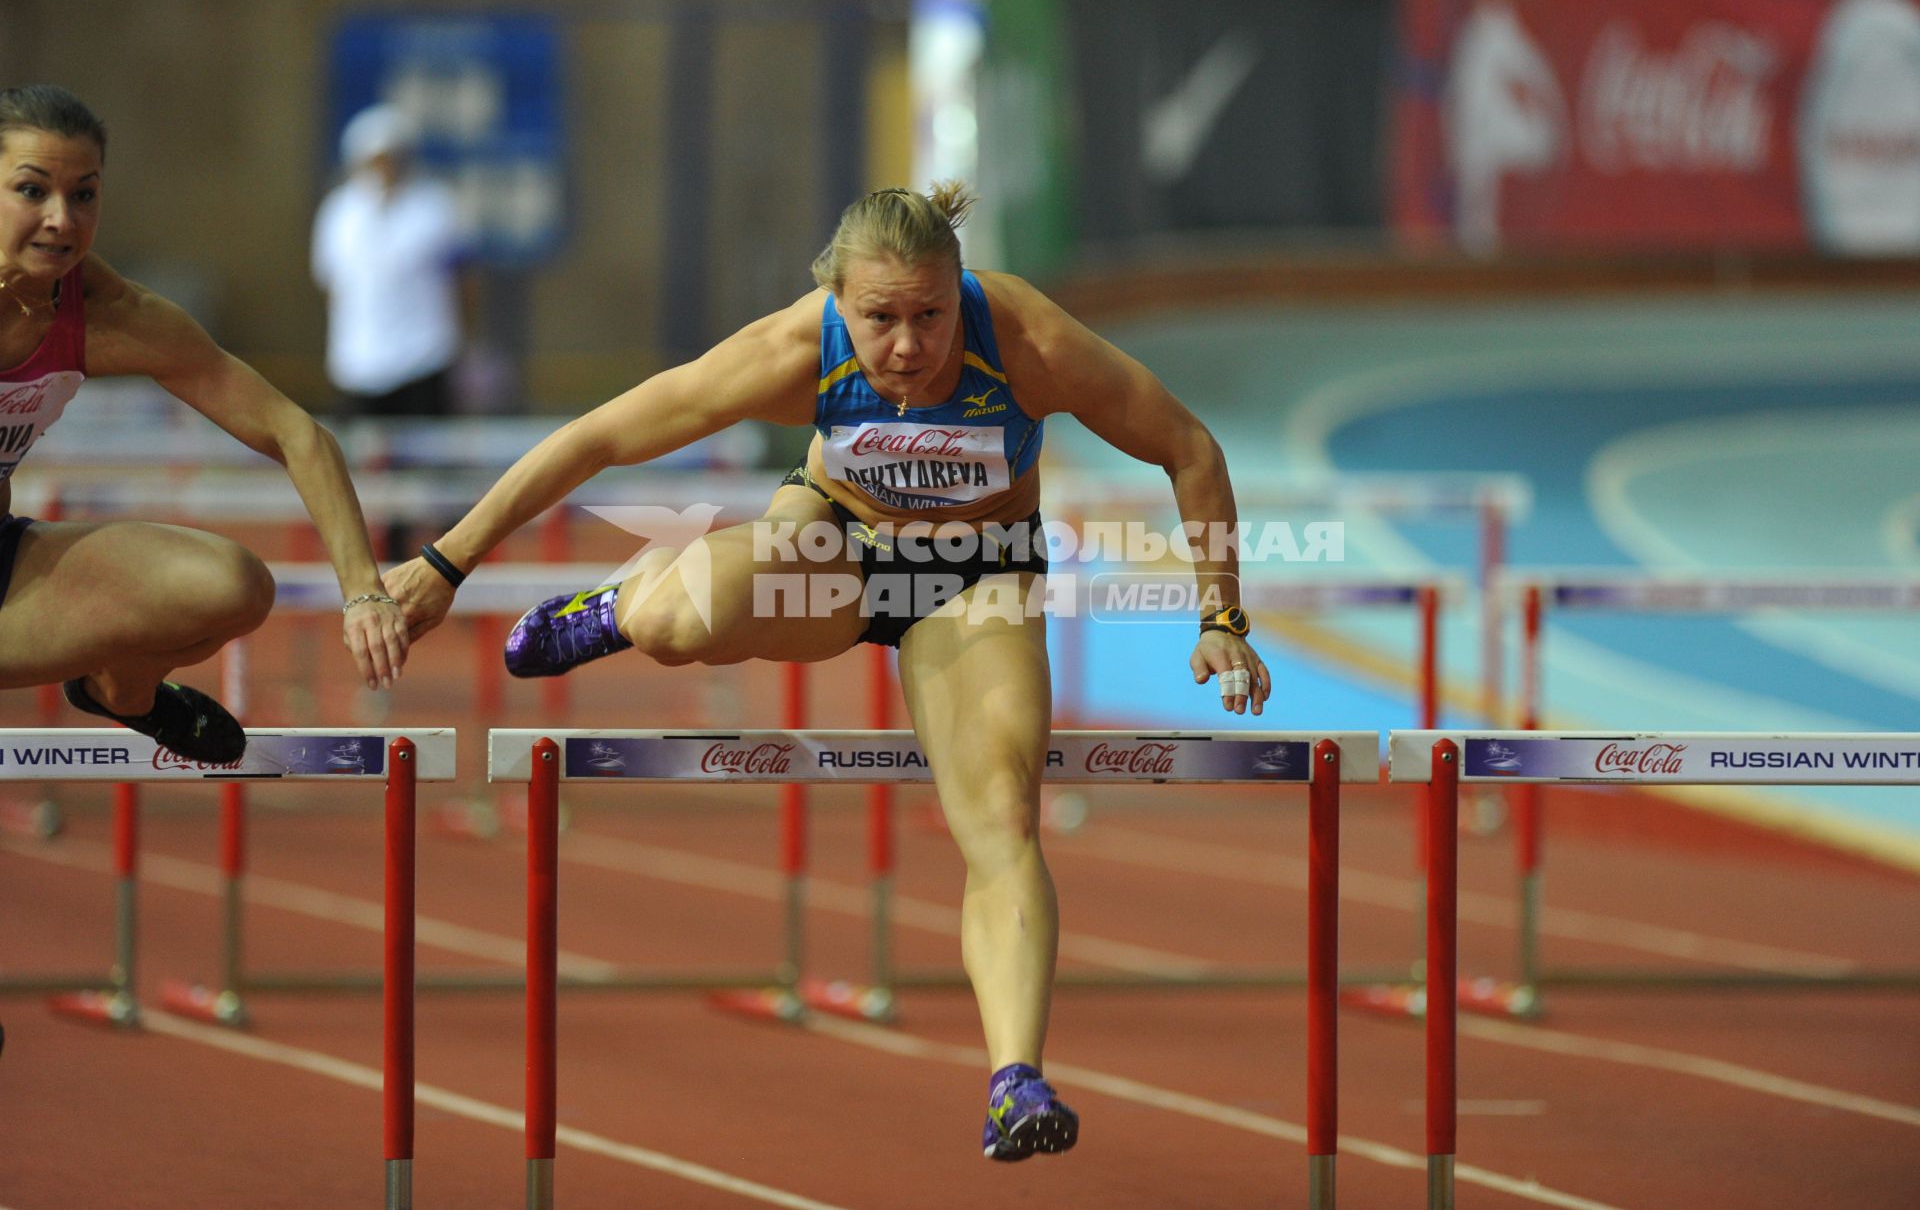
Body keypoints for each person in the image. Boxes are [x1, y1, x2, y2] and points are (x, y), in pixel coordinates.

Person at [384, 183, 1270, 1162]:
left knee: (1001, 811)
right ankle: (620, 604)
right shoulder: (793, 350)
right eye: (879, 319)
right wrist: (445, 561)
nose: (906, 347)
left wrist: (1220, 614)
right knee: (685, 618)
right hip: (832, 547)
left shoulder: (1023, 337)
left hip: (974, 578)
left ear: (959, 289)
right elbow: (598, 436)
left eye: (930, 315)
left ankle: (1015, 1077)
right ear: (835, 301)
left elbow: (1188, 445)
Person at [0, 84, 409, 764]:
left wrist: (364, 588)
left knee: (234, 586)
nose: (61, 221)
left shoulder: (109, 317)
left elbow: (293, 430)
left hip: (6, 568)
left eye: (84, 195)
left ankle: (124, 695)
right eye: (31, 190)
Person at [311, 103, 477, 557]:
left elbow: (463, 280)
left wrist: (462, 343)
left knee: (435, 469)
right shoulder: (339, 212)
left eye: (392, 156)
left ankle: (452, 558)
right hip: (359, 363)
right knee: (363, 469)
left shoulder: (435, 208)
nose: (383, 167)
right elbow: (332, 285)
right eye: (374, 158)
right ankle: (381, 557)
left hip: (424, 356)